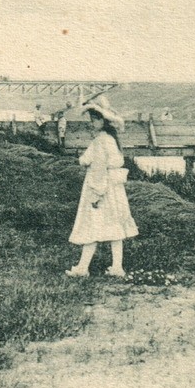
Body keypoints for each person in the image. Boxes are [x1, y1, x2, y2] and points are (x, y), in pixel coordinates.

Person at [66, 95, 138, 277]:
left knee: (92, 225)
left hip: (101, 188)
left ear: (102, 121)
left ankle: (83, 268)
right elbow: (111, 161)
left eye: (94, 120)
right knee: (115, 226)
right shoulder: (111, 139)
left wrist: (96, 193)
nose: (91, 123)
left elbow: (97, 167)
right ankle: (117, 267)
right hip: (114, 190)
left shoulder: (100, 141)